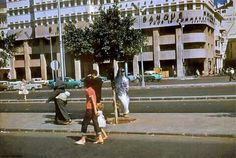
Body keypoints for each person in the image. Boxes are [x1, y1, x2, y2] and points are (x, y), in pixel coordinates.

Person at [75, 76, 103, 145]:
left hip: (89, 109)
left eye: (84, 82)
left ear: (86, 83)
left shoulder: (88, 90)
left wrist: (95, 110)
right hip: (93, 109)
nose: (83, 84)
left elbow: (93, 100)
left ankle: (83, 139)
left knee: (84, 123)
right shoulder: (93, 89)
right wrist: (95, 109)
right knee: (95, 122)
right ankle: (100, 138)